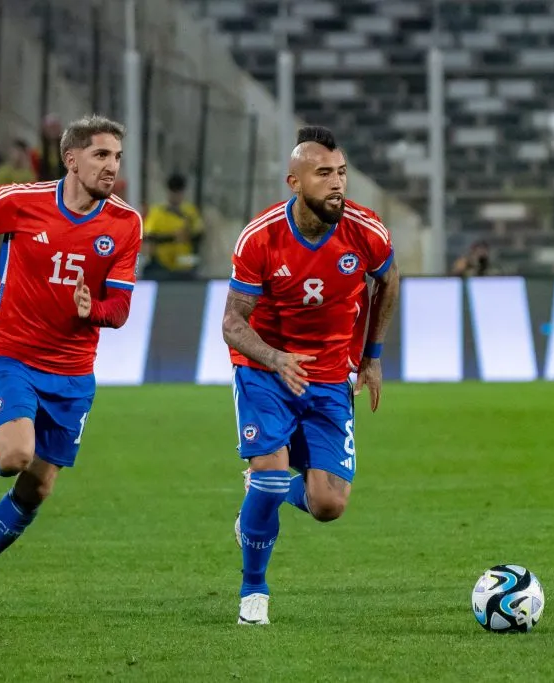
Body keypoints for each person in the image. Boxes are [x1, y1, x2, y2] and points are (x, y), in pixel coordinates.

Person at [0, 115, 143, 608]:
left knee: (38, 486)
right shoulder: (22, 201)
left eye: (117, 157)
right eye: (101, 155)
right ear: (72, 159)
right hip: (11, 352)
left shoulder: (126, 223)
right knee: (15, 453)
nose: (112, 167)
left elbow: (120, 310)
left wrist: (94, 310)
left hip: (74, 370)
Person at [221, 126, 401, 625]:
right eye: (324, 174)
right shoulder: (260, 238)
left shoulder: (366, 230)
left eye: (341, 172)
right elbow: (232, 323)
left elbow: (389, 278)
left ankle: (261, 495)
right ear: (294, 182)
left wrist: (373, 355)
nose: (337, 183)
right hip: (265, 371)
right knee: (273, 474)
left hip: (328, 376)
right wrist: (275, 358)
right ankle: (253, 591)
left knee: (327, 504)